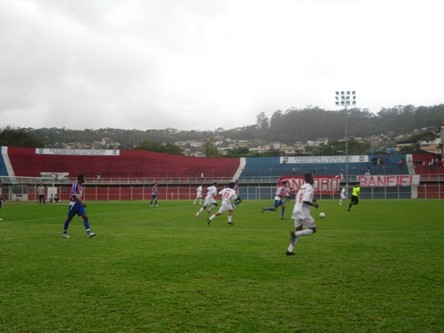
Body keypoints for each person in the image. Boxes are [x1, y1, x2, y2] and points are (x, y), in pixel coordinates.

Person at [286, 173, 319, 256]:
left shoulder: (303, 186)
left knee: (299, 230)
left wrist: (312, 199)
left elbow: (301, 196)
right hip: (302, 213)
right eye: (312, 178)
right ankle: (295, 234)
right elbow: (305, 200)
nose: (313, 179)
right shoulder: (310, 188)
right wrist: (314, 204)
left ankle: (289, 251)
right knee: (313, 229)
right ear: (309, 179)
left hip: (296, 211)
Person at [62, 174, 96, 238]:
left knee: (85, 217)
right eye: (84, 178)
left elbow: (79, 195)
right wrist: (82, 202)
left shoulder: (81, 186)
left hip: (79, 204)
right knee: (69, 218)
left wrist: (80, 203)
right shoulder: (75, 185)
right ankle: (64, 232)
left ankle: (88, 233)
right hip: (73, 204)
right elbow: (74, 195)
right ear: (80, 179)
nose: (85, 179)